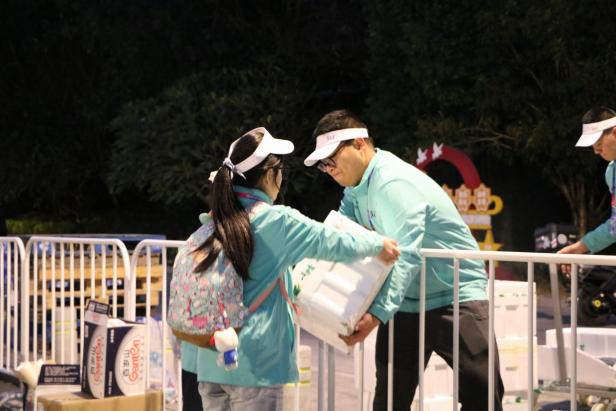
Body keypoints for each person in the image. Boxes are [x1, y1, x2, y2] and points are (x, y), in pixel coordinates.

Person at [304, 110, 504, 411]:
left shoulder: (391, 182)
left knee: (483, 395)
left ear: (359, 143)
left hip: (456, 295)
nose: (328, 169)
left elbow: (406, 254)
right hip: (407, 300)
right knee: (389, 401)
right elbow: (337, 238)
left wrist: (377, 313)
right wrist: (301, 278)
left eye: (331, 158)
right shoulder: (356, 189)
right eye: (323, 164)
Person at [191, 126, 400, 411]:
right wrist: (377, 245)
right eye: (281, 170)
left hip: (211, 361)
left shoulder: (212, 221)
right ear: (270, 175)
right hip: (256, 364)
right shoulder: (274, 221)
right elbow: (329, 241)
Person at [558, 107, 616, 262]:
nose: (596, 151)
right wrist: (579, 247)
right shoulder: (612, 172)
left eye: (598, 143)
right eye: (592, 145)